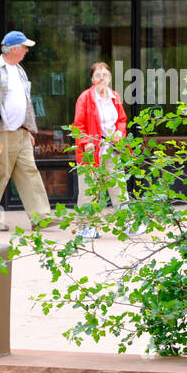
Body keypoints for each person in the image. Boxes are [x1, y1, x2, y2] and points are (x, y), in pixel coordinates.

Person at [0, 30, 52, 232]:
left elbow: (24, 103)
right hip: (0, 132)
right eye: (24, 47)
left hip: (20, 132)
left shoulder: (19, 70)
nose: (27, 51)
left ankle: (41, 217)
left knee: (30, 172)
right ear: (14, 48)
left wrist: (27, 130)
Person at [72, 61, 129, 239]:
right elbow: (78, 125)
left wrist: (120, 131)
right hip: (91, 151)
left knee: (119, 186)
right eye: (98, 75)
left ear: (110, 78)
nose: (101, 78)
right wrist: (86, 142)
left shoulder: (115, 96)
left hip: (111, 148)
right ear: (92, 78)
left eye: (105, 75)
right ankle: (86, 226)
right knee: (89, 189)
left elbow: (121, 119)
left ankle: (127, 224)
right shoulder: (85, 98)